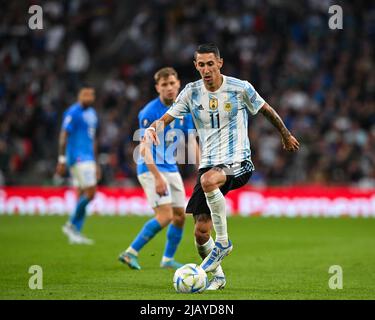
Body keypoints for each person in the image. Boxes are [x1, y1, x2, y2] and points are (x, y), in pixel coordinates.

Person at [144, 43, 300, 289]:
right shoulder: (191, 92)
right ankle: (218, 276)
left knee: (208, 182)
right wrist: (153, 128)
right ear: (196, 66)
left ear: (220, 63)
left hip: (239, 162)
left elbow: (266, 110)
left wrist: (285, 134)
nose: (206, 69)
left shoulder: (240, 88)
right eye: (201, 64)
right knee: (200, 232)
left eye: (210, 63)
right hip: (209, 165)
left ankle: (224, 243)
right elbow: (167, 117)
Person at [118, 67, 196, 270]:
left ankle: (167, 259)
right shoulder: (149, 112)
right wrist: (157, 177)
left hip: (171, 167)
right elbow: (144, 147)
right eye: (164, 85)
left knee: (180, 216)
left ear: (178, 84)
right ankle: (130, 252)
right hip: (151, 168)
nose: (169, 88)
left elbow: (191, 142)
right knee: (165, 216)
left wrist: (203, 168)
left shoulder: (184, 109)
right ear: (157, 88)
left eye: (172, 83)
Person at [56, 86, 100, 245]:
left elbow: (93, 139)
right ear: (79, 95)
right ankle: (70, 224)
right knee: (91, 192)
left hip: (88, 158)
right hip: (78, 157)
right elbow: (63, 135)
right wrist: (61, 159)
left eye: (91, 94)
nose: (88, 96)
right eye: (85, 94)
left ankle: (76, 233)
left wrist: (96, 163)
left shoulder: (93, 114)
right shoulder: (73, 112)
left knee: (82, 193)